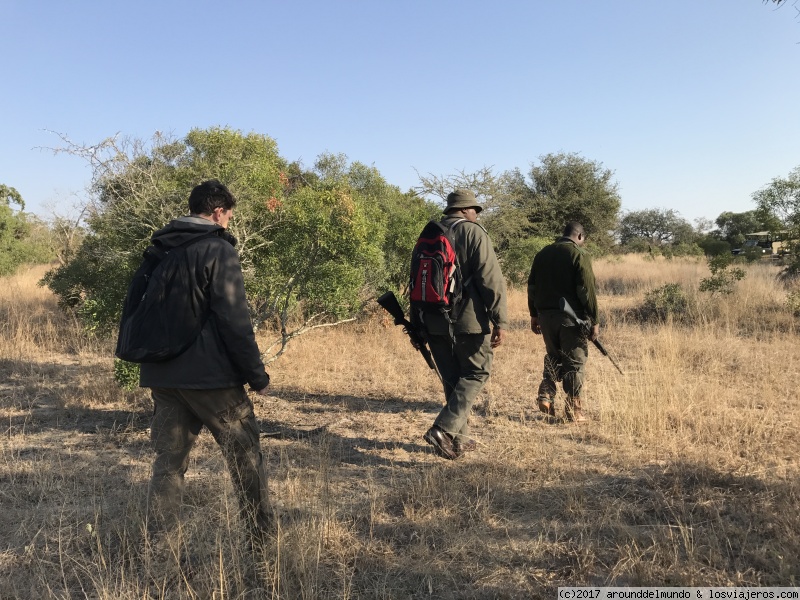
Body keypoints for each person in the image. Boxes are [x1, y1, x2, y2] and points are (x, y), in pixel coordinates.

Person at [140, 179, 273, 545]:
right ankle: (262, 543)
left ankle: (160, 549)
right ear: (218, 212)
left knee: (168, 465)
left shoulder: (161, 247)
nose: (228, 222)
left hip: (162, 375)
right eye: (229, 215)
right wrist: (256, 375)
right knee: (246, 459)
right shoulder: (218, 249)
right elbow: (235, 321)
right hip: (211, 379)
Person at [413, 189, 508, 460]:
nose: (476, 215)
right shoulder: (473, 232)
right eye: (475, 210)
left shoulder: (429, 233)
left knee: (453, 378)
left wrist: (417, 324)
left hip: (432, 319)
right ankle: (442, 430)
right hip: (467, 320)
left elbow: (415, 281)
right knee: (477, 373)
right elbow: (491, 280)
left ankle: (458, 439)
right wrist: (500, 320)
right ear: (466, 210)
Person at [527, 221, 599, 423]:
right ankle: (574, 410)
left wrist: (534, 314)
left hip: (545, 317)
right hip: (571, 318)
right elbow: (586, 291)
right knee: (575, 361)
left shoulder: (542, 254)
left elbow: (531, 286)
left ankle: (546, 395)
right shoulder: (579, 254)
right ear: (579, 237)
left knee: (553, 355)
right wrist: (594, 320)